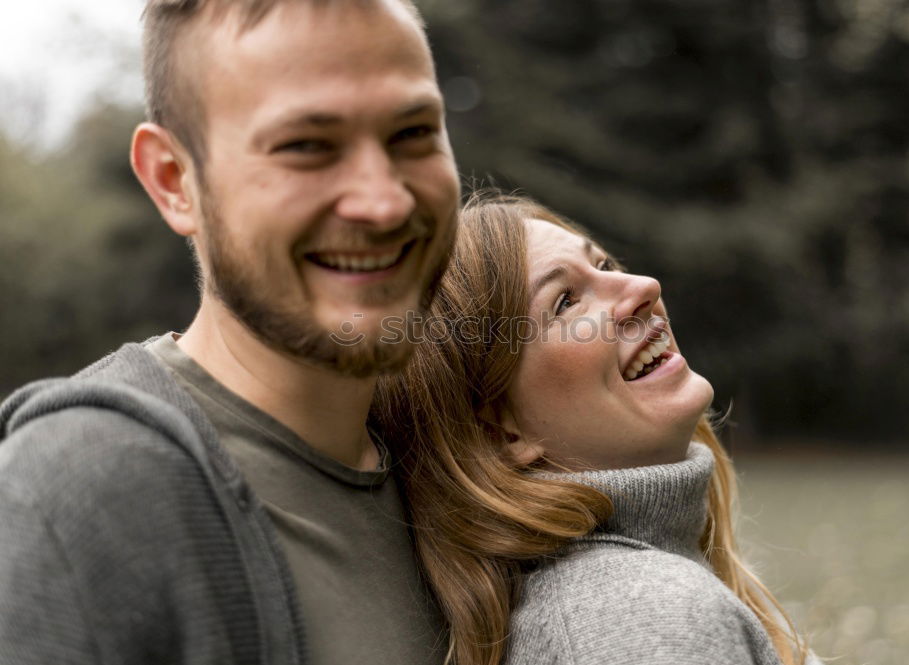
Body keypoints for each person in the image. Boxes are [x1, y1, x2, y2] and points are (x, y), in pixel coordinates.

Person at [0, 0, 459, 663]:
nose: (384, 201)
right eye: (307, 146)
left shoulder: (455, 467)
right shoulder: (71, 501)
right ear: (173, 181)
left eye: (413, 132)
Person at [373, 193, 818, 665]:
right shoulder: (646, 618)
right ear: (502, 433)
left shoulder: (618, 606)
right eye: (565, 301)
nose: (644, 285)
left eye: (604, 263)